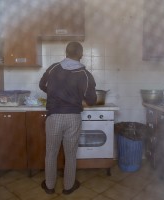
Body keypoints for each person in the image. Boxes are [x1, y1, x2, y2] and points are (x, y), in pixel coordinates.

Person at [39, 41, 97, 195]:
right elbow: (92, 100)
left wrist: (53, 93)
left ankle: (49, 187)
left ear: (65, 53)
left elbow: (41, 84)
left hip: (54, 117)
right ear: (81, 55)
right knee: (71, 154)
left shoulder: (53, 68)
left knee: (51, 153)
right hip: (73, 117)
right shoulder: (85, 74)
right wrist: (78, 97)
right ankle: (68, 187)